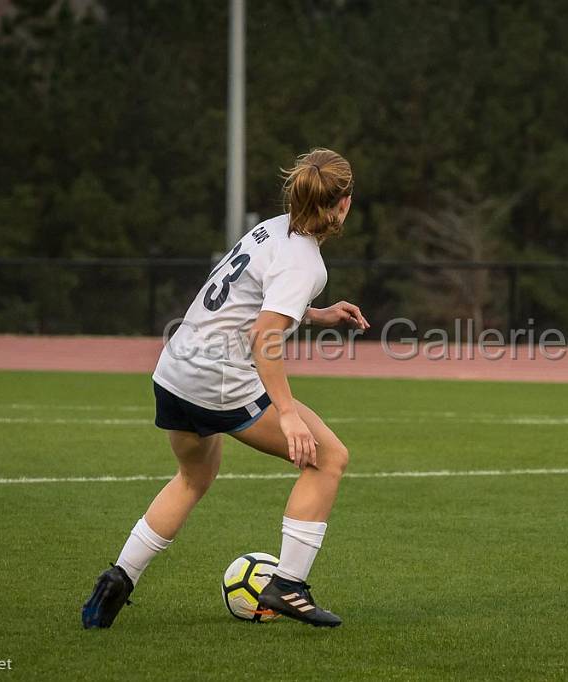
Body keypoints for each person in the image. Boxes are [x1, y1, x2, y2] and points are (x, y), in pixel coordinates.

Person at [82, 148, 368, 629]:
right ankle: (289, 585)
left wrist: (318, 313)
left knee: (193, 478)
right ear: (344, 204)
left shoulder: (272, 229)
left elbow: (252, 299)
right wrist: (288, 413)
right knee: (328, 457)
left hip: (174, 370)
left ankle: (119, 578)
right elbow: (264, 339)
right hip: (220, 379)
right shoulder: (306, 263)